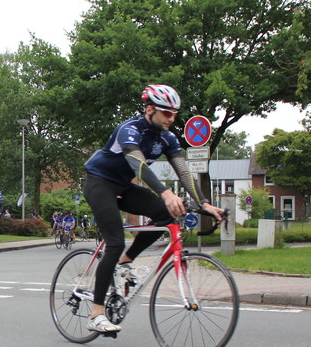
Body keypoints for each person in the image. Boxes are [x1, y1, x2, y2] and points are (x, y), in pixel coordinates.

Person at [82, 84, 224, 333]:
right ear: (150, 109)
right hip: (100, 183)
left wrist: (205, 203)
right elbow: (138, 165)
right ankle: (96, 313)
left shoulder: (167, 138)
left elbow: (183, 172)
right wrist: (165, 193)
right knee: (115, 242)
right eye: (166, 113)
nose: (171, 118)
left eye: (174, 114)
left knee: (166, 214)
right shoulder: (129, 130)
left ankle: (126, 261)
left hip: (124, 187)